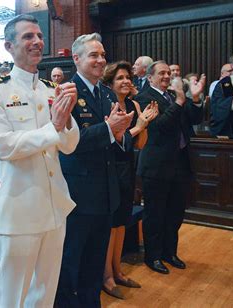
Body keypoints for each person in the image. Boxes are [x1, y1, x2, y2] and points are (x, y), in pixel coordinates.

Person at [0, 14, 79, 307]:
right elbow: (3, 146)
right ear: (9, 46)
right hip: (21, 209)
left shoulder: (51, 89)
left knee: (44, 292)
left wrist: (66, 121)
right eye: (28, 37)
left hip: (54, 205)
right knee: (13, 294)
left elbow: (70, 146)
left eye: (39, 35)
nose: (37, 42)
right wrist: (53, 128)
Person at [56, 33, 133, 307]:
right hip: (78, 196)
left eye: (102, 55)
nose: (101, 60)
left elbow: (116, 140)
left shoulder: (107, 93)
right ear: (76, 59)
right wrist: (110, 129)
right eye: (94, 55)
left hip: (105, 194)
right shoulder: (67, 92)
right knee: (70, 266)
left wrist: (122, 134)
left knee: (94, 266)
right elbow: (69, 145)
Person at [135, 60, 205, 274]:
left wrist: (194, 98)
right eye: (162, 73)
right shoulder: (144, 97)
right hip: (157, 166)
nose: (167, 76)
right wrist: (180, 101)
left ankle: (169, 253)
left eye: (168, 73)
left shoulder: (174, 95)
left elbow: (194, 120)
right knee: (155, 214)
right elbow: (159, 127)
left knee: (175, 213)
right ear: (150, 77)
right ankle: (153, 256)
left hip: (180, 163)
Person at [100, 61, 158, 299]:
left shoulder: (133, 103)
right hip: (110, 167)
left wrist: (144, 125)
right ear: (110, 83)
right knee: (110, 225)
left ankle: (118, 270)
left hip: (128, 166)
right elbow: (113, 139)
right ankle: (106, 277)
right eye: (120, 78)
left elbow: (139, 144)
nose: (126, 81)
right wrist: (139, 125)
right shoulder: (107, 105)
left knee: (122, 223)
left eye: (127, 77)